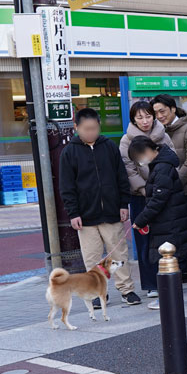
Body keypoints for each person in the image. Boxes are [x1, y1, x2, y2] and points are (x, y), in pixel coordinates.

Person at [59, 107, 141, 309]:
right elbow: (66, 186)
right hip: (85, 216)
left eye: (94, 128)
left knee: (119, 253)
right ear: (76, 127)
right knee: (92, 257)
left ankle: (127, 290)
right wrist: (73, 213)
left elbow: (121, 177)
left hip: (112, 212)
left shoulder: (109, 147)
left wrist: (124, 204)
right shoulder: (69, 152)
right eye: (86, 129)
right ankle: (96, 293)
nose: (90, 133)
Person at [129, 135, 187, 310]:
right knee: (168, 260)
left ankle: (168, 298)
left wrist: (141, 219)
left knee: (166, 261)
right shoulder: (161, 164)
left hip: (169, 221)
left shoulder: (162, 167)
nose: (140, 162)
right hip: (168, 220)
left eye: (139, 158)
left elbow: (159, 198)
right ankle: (169, 296)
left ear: (148, 151)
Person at [120, 101, 176, 301]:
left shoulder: (164, 135)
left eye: (148, 116)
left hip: (164, 195)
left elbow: (172, 159)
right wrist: (147, 190)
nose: (145, 121)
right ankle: (151, 283)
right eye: (139, 117)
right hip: (141, 197)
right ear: (133, 119)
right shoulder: (126, 141)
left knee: (165, 236)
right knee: (144, 241)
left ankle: (169, 278)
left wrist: (161, 188)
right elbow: (129, 170)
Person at [151, 94, 187, 280]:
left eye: (162, 111)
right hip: (170, 192)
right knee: (176, 233)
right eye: (155, 113)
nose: (159, 116)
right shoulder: (158, 132)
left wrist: (172, 181)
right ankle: (184, 272)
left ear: (173, 109)